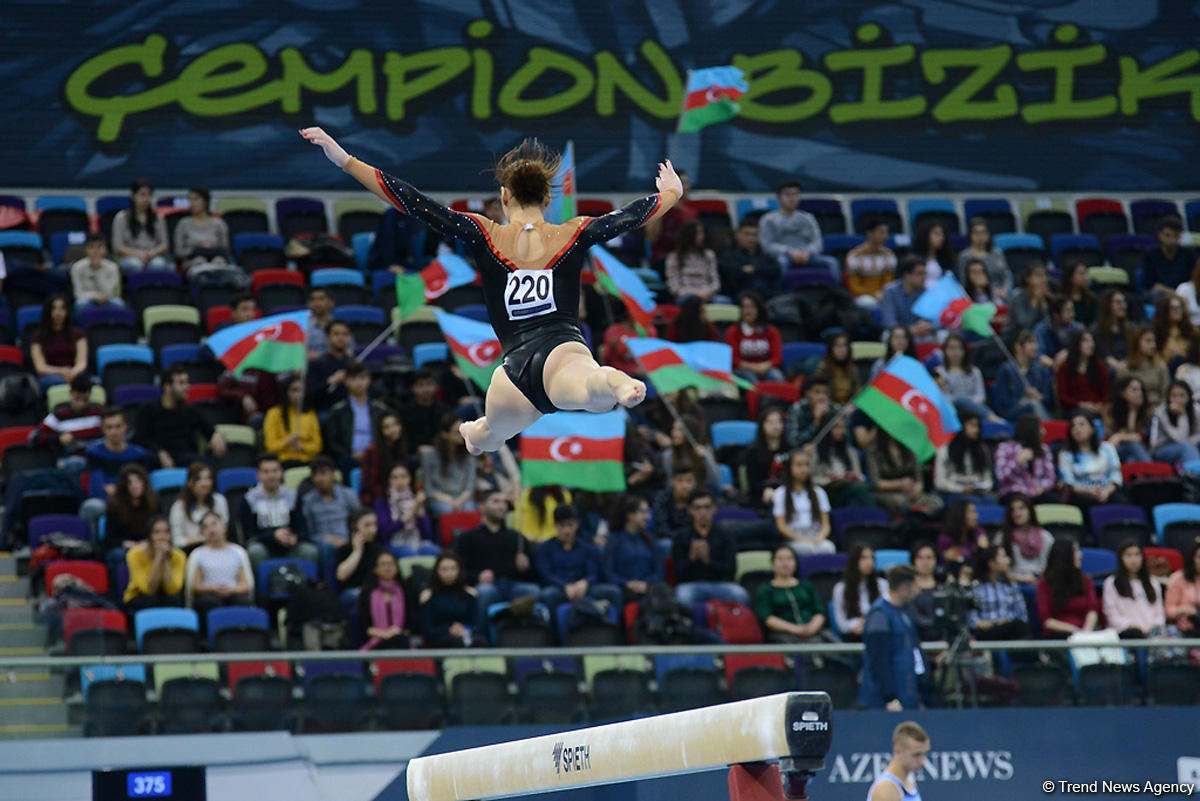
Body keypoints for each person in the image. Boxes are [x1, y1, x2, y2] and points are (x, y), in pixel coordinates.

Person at [304, 128, 680, 455]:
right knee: (592, 390)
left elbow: (412, 201)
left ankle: (475, 432)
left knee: (488, 435)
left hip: (512, 370)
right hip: (561, 354)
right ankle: (618, 383)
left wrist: (344, 160)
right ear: (548, 199)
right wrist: (670, 195)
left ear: (503, 196)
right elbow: (629, 217)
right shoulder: (572, 232)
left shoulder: (486, 233)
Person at [457, 490, 540, 617]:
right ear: (481, 506)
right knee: (485, 592)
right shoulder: (467, 538)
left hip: (513, 585)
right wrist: (477, 577)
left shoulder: (517, 538)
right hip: (485, 586)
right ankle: (480, 635)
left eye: (504, 502)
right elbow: (458, 571)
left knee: (532, 590)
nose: (502, 506)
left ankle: (529, 633)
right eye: (496, 501)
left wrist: (525, 567)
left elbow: (533, 574)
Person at [859, 566, 928, 711]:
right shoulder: (879, 616)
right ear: (904, 588)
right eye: (915, 586)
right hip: (888, 703)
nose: (918, 590)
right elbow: (878, 660)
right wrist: (889, 697)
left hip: (908, 694)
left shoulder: (906, 611)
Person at [133, 366, 226, 469]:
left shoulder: (190, 411)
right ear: (167, 387)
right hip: (157, 459)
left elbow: (208, 430)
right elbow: (140, 438)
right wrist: (159, 452)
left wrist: (215, 435)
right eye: (181, 383)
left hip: (187, 459)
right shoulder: (148, 410)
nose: (187, 387)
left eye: (187, 382)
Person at [534, 504, 623, 611]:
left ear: (577, 524)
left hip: (585, 588)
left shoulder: (588, 548)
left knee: (613, 592)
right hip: (559, 589)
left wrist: (585, 583)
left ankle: (613, 627)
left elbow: (593, 573)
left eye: (570, 525)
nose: (566, 530)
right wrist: (564, 586)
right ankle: (553, 628)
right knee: (548, 595)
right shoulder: (544, 549)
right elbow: (546, 575)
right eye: (562, 526)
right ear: (555, 526)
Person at [671, 489, 749, 606]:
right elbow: (678, 573)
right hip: (692, 584)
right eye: (697, 508)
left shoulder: (725, 535)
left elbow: (731, 570)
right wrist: (691, 559)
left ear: (714, 509)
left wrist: (708, 561)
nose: (703, 512)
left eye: (707, 507)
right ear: (690, 510)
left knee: (740, 594)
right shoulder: (682, 537)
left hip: (720, 585)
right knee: (682, 596)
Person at [242, 453, 318, 570]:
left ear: (281, 473)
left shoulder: (292, 496)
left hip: (290, 547)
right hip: (264, 547)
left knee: (310, 551)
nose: (271, 476)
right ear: (258, 475)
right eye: (266, 472)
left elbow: (303, 528)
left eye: (275, 471)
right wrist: (273, 536)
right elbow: (250, 536)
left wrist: (295, 538)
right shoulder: (249, 499)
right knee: (255, 552)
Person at [81, 408, 151, 530]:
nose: (114, 432)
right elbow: (97, 490)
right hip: (107, 503)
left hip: (134, 502)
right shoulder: (94, 453)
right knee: (91, 506)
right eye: (109, 427)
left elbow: (144, 485)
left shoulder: (139, 455)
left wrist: (117, 490)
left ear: (126, 427)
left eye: (118, 426)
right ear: (103, 430)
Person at [757, 180, 840, 281]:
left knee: (832, 262)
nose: (792, 198)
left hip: (808, 255)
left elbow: (818, 242)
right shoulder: (768, 219)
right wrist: (790, 252)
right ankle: (780, 292)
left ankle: (837, 292)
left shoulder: (808, 218)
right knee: (781, 263)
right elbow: (767, 245)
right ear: (779, 198)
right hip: (783, 256)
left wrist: (807, 252)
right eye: (787, 195)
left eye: (795, 194)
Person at [754, 545, 830, 645]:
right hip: (783, 635)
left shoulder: (806, 585)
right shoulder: (765, 589)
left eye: (789, 559)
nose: (785, 563)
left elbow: (819, 611)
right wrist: (794, 629)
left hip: (813, 632)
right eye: (780, 559)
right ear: (772, 563)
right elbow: (767, 617)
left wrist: (812, 628)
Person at [188, 512, 253, 618]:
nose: (211, 529)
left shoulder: (238, 552)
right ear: (202, 533)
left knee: (242, 602)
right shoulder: (198, 554)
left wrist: (231, 589)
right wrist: (213, 588)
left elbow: (246, 585)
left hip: (233, 592)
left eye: (214, 524)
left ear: (224, 527)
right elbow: (195, 586)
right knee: (208, 602)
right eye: (205, 527)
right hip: (209, 595)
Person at [302, 455, 362, 568]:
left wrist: (349, 539)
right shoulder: (308, 500)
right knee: (327, 547)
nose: (319, 478)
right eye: (315, 474)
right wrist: (324, 538)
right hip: (323, 542)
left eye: (323, 473)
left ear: (333, 473)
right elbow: (309, 532)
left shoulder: (348, 495)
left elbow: (359, 521)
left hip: (347, 540)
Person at [32, 373, 103, 468]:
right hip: (71, 459)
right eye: (77, 399)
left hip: (97, 456)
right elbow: (35, 437)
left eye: (85, 400)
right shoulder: (59, 415)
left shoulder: (98, 412)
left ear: (90, 395)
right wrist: (58, 438)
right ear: (70, 393)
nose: (81, 404)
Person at [772, 449, 835, 555]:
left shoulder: (819, 492)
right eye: (799, 465)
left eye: (807, 465)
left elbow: (826, 525)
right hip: (793, 540)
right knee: (808, 549)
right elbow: (781, 526)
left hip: (815, 538)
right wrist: (803, 540)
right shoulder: (780, 493)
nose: (804, 469)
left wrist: (819, 537)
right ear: (790, 467)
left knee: (829, 547)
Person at [867, 430, 944, 514]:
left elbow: (918, 476)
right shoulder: (874, 452)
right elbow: (877, 483)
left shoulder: (909, 448)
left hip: (911, 492)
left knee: (936, 502)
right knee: (901, 502)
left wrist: (918, 488)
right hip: (889, 493)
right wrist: (899, 484)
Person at [603, 496, 665, 603]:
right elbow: (608, 573)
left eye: (648, 512)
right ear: (630, 515)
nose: (648, 517)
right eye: (643, 512)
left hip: (648, 589)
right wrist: (627, 584)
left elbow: (659, 572)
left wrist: (646, 584)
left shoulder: (651, 540)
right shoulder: (614, 540)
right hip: (624, 589)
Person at [1058, 412, 1124, 510]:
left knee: (1122, 501)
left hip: (1107, 489)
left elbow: (1115, 474)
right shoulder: (1066, 454)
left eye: (1082, 424)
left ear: (1092, 429)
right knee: (1086, 502)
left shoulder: (1107, 448)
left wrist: (1106, 491)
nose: (1077, 429)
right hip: (1081, 493)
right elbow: (1068, 482)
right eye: (1073, 426)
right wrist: (1088, 490)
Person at [1037, 539, 1102, 637]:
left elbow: (1092, 610)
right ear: (1064, 556)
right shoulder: (1044, 583)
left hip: (1086, 633)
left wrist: (1086, 631)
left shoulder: (1086, 580)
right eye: (1075, 551)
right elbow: (1047, 620)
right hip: (1060, 635)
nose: (1080, 555)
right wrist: (1075, 632)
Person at [1102, 541, 1167, 639]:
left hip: (1153, 633)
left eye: (1137, 555)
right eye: (1128, 555)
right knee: (1135, 634)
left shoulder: (1153, 582)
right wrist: (1134, 627)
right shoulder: (1111, 583)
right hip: (1126, 633)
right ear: (1121, 558)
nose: (1134, 560)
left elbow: (1160, 613)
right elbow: (1112, 615)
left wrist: (1153, 627)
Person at [124, 516, 187, 612]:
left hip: (166, 595)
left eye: (166, 532)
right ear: (149, 536)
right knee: (151, 601)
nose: (162, 537)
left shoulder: (179, 556)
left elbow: (173, 589)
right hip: (139, 596)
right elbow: (147, 589)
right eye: (157, 532)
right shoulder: (134, 555)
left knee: (174, 601)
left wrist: (165, 559)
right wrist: (158, 558)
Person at [967, 545, 1030, 640]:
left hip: (1011, 631)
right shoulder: (976, 588)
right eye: (1003, 557)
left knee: (1021, 627)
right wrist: (996, 623)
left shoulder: (1011, 586)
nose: (1008, 560)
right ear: (991, 563)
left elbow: (1022, 616)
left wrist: (1007, 621)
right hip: (987, 633)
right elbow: (973, 621)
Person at [812, 412, 873, 508]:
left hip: (849, 487)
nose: (841, 431)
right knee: (859, 490)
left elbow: (859, 475)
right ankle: (872, 518)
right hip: (828, 490)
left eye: (843, 427)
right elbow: (813, 478)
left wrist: (850, 476)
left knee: (857, 494)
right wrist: (832, 479)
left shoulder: (849, 451)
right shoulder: (815, 452)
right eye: (837, 427)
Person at [103, 464, 159, 569]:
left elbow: (160, 529)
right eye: (129, 482)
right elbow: (109, 539)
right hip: (124, 546)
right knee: (119, 555)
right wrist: (128, 544)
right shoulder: (115, 506)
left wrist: (148, 542)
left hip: (149, 543)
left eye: (138, 481)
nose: (135, 485)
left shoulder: (155, 504)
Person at [419, 551, 480, 647]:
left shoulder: (469, 594)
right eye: (444, 569)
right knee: (456, 642)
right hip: (440, 640)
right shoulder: (427, 596)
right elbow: (428, 631)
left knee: (481, 642)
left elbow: (476, 626)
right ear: (436, 571)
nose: (449, 573)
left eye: (453, 569)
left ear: (459, 570)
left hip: (465, 636)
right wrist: (449, 629)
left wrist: (464, 629)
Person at [422, 413, 478, 517]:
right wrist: (450, 501)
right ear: (445, 434)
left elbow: (470, 486)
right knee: (447, 510)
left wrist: (459, 501)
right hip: (440, 498)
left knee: (470, 509)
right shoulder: (429, 455)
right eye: (457, 432)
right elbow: (428, 488)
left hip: (463, 498)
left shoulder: (469, 455)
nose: (462, 436)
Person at [934, 334, 1000, 422]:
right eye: (952, 348)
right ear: (945, 350)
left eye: (959, 348)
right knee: (961, 401)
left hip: (974, 409)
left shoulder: (974, 371)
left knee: (965, 402)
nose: (956, 352)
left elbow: (981, 396)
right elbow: (941, 397)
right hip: (951, 410)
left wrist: (970, 403)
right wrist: (961, 401)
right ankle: (995, 419)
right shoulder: (938, 372)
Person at [992, 329, 1055, 421]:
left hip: (1036, 412)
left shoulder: (1041, 370)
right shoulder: (1006, 370)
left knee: (1034, 404)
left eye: (1036, 343)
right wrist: (1021, 402)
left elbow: (1049, 400)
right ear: (1018, 346)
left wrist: (1039, 397)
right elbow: (1001, 402)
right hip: (1012, 413)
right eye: (1030, 343)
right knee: (1032, 404)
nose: (1035, 347)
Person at [29, 294, 87, 391]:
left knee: (83, 382)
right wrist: (61, 372)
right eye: (54, 309)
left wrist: (72, 373)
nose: (58, 313)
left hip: (74, 374)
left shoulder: (78, 335)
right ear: (48, 312)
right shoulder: (38, 338)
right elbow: (40, 367)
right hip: (50, 376)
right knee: (57, 382)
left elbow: (82, 362)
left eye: (62, 309)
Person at [262, 374, 322, 467]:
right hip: (282, 462)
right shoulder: (274, 413)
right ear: (286, 392)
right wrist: (289, 440)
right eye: (294, 390)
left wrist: (303, 447)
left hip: (307, 461)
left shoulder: (310, 414)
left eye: (301, 391)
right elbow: (270, 446)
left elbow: (317, 445)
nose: (298, 395)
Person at [832, 542, 888, 641]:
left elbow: (888, 614)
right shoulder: (840, 588)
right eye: (864, 558)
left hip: (878, 632)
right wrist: (854, 625)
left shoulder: (882, 585)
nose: (869, 562)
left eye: (871, 558)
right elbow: (841, 623)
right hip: (854, 636)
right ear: (854, 561)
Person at [110, 179, 169, 272]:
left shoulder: (158, 218)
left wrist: (152, 253)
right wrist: (138, 255)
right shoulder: (121, 218)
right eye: (142, 195)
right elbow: (118, 246)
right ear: (133, 196)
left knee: (158, 264)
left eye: (149, 195)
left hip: (152, 256)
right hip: (129, 257)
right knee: (135, 265)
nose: (146, 199)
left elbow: (164, 245)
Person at [167, 462, 229, 550]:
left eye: (208, 479)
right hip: (188, 550)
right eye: (199, 479)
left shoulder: (219, 500)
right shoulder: (178, 506)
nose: (205, 484)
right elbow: (176, 541)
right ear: (190, 482)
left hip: (216, 547)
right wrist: (200, 539)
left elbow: (224, 530)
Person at [932, 413, 994, 500]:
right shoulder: (946, 450)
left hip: (977, 490)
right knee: (971, 502)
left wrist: (983, 487)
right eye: (972, 425)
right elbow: (939, 482)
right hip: (953, 491)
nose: (976, 430)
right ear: (961, 426)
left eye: (978, 426)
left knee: (991, 501)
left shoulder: (982, 450)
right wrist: (962, 489)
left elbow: (987, 478)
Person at [725, 291, 783, 383]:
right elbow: (733, 358)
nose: (747, 311)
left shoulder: (771, 331)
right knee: (752, 380)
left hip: (766, 368)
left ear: (759, 309)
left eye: (751, 307)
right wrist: (752, 367)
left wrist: (764, 366)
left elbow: (777, 357)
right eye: (744, 307)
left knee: (777, 377)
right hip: (742, 369)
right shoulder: (733, 331)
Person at [356, 550, 410, 650]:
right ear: (375, 569)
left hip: (401, 638)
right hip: (377, 640)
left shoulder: (406, 591)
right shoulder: (367, 593)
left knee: (400, 641)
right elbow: (364, 625)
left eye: (391, 564)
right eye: (383, 564)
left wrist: (398, 632)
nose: (388, 568)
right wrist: (384, 634)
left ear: (397, 568)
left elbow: (411, 623)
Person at [996, 493, 1055, 583]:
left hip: (1040, 581)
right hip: (1013, 582)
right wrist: (1016, 577)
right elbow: (995, 566)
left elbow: (1053, 564)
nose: (1017, 513)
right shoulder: (1002, 536)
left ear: (1030, 510)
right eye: (1013, 510)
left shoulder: (1045, 536)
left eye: (1021, 508)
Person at [173, 187, 232, 275]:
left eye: (196, 199)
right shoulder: (183, 224)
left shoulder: (219, 223)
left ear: (205, 202)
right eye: (190, 200)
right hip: (192, 260)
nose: (192, 203)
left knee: (219, 261)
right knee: (200, 261)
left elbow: (225, 248)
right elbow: (178, 251)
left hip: (216, 257)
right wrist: (195, 249)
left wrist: (211, 248)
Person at [373, 463, 430, 552]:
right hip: (392, 544)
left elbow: (427, 534)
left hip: (416, 541)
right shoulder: (382, 502)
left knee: (433, 551)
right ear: (389, 480)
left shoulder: (416, 499)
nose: (399, 481)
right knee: (408, 551)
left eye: (403, 477)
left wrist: (421, 514)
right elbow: (384, 532)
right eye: (395, 478)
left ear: (410, 479)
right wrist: (412, 511)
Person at [866, 722, 931, 800]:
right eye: (916, 755)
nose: (922, 761)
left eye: (925, 753)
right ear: (897, 751)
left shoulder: (910, 780)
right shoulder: (886, 788)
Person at [740, 407, 788, 508]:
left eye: (779, 422)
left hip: (787, 492)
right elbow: (753, 482)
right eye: (770, 422)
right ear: (762, 426)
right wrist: (766, 490)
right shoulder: (753, 451)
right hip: (761, 494)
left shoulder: (790, 449)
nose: (776, 426)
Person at [717, 219, 781, 296]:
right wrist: (759, 271)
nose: (751, 238)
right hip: (740, 295)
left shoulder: (763, 254)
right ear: (737, 235)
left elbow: (777, 270)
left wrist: (754, 269)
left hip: (767, 293)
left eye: (755, 235)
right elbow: (733, 273)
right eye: (747, 234)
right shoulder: (727, 254)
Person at [844, 215, 896, 309]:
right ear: (869, 234)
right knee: (869, 303)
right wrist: (873, 294)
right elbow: (854, 286)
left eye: (886, 233)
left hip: (882, 294)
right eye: (881, 232)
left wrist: (882, 293)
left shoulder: (889, 255)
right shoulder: (854, 256)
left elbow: (888, 281)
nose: (885, 236)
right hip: (861, 295)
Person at [359, 411, 411, 505]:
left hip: (401, 494)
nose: (393, 429)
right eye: (387, 427)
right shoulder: (372, 452)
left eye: (395, 424)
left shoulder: (402, 446)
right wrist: (389, 494)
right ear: (381, 431)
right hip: (379, 497)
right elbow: (369, 484)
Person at [1056, 328, 1110, 417]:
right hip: (1074, 409)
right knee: (1085, 415)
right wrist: (1081, 404)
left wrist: (1100, 405)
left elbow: (1106, 392)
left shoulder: (1101, 367)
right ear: (1077, 344)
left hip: (1097, 408)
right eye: (1086, 341)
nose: (1091, 344)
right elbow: (1063, 397)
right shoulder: (1065, 368)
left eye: (1092, 341)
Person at [305, 319, 355, 413]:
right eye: (336, 334)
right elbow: (309, 394)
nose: (340, 338)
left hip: (350, 411)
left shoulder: (353, 364)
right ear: (327, 337)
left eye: (345, 334)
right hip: (325, 410)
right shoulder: (316, 364)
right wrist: (330, 381)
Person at [1148, 380, 1200, 466]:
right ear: (1168, 397)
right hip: (1162, 450)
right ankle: (1194, 475)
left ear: (1189, 397)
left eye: (1182, 396)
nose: (1177, 399)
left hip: (1189, 445)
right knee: (1185, 448)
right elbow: (1179, 439)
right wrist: (1182, 415)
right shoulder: (1161, 413)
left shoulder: (1195, 410)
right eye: (1173, 396)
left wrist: (1192, 441)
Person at [664, 220, 719, 301]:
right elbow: (674, 286)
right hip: (686, 295)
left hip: (707, 294)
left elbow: (715, 282)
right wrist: (696, 294)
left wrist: (707, 292)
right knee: (692, 301)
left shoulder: (709, 255)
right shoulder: (674, 257)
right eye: (699, 233)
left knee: (724, 301)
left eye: (702, 233)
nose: (702, 236)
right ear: (690, 235)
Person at [957, 216, 1011, 298]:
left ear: (989, 234)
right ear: (970, 235)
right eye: (976, 233)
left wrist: (1005, 290)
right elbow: (963, 282)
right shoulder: (964, 256)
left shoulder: (997, 253)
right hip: (975, 296)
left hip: (1000, 294)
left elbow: (1006, 276)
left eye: (983, 233)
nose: (980, 237)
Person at [334, 508, 384, 594]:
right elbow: (341, 576)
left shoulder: (379, 549)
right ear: (354, 527)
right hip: (351, 592)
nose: (373, 529)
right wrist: (357, 551)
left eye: (375, 524)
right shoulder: (344, 550)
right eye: (367, 525)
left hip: (373, 591)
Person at [398, 368, 450, 450]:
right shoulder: (405, 411)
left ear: (436, 386)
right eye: (420, 385)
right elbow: (403, 438)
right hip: (415, 454)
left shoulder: (445, 410)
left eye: (429, 384)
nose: (425, 389)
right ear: (413, 388)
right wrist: (417, 448)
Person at [880, 258, 933, 338]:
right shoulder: (890, 291)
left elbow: (934, 318)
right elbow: (890, 322)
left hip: (919, 333)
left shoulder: (925, 292)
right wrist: (910, 330)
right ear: (907, 275)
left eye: (925, 274)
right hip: (899, 333)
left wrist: (927, 325)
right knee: (887, 335)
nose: (924, 277)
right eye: (920, 274)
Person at [1144, 215, 1196, 296]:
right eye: (1167, 236)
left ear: (1180, 236)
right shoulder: (1150, 255)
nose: (1171, 240)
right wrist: (1175, 294)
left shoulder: (1188, 254)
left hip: (1185, 294)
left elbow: (1193, 279)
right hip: (1162, 295)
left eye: (1175, 236)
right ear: (1160, 235)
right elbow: (1151, 284)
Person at [785, 372, 839, 448]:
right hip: (805, 453)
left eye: (825, 393)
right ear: (807, 393)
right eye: (817, 392)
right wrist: (815, 423)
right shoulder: (797, 409)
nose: (822, 397)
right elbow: (793, 442)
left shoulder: (835, 409)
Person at [1107, 375, 1153, 463]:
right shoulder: (1111, 412)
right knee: (1132, 444)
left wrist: (1120, 437)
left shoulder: (1148, 413)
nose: (1139, 393)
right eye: (1134, 390)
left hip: (1142, 450)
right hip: (1117, 451)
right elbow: (1110, 439)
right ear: (1122, 393)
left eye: (1140, 390)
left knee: (1131, 459)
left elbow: (1141, 437)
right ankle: (1151, 471)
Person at [70, 233, 122, 308]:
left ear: (105, 250)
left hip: (107, 299)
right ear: (85, 250)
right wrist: (95, 296)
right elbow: (78, 294)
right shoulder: (77, 267)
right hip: (87, 300)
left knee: (119, 303)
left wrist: (98, 270)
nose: (95, 251)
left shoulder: (113, 267)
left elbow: (111, 293)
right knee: (80, 304)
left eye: (99, 247)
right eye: (91, 247)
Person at [937, 499, 990, 572]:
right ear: (960, 514)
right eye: (972, 512)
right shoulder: (946, 538)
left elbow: (984, 549)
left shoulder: (977, 531)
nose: (976, 516)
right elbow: (952, 558)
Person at [1120, 328, 1168, 406]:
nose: (1153, 345)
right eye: (1148, 341)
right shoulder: (1124, 368)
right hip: (1132, 408)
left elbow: (1166, 392)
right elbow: (1120, 394)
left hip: (1157, 407)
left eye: (1154, 341)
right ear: (1137, 342)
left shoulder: (1160, 366)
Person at [1005, 261, 1050, 338]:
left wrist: (1044, 304)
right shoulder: (1018, 296)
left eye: (1044, 275)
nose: (1043, 279)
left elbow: (1048, 326)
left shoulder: (1046, 296)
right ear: (1027, 278)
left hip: (1036, 339)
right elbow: (1024, 325)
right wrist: (1035, 301)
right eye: (1038, 276)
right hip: (1015, 337)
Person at [1165, 538, 1200, 634]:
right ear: (1191, 558)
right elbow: (1169, 611)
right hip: (1184, 630)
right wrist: (1184, 610)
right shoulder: (1178, 578)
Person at [1091, 289, 1132, 371]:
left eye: (1124, 302)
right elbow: (1106, 357)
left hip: (1128, 365)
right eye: (1118, 302)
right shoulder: (1096, 330)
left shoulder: (1129, 328)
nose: (1123, 306)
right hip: (1110, 369)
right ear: (1107, 305)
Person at [1033, 295, 1080, 368]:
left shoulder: (1076, 328)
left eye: (1072, 310)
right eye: (1068, 311)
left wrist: (1068, 352)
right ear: (1056, 315)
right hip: (1049, 369)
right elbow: (1038, 354)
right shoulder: (1041, 329)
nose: (1072, 314)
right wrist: (1054, 365)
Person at [908, 541, 941, 640]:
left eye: (929, 557)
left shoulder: (944, 587)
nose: (925, 562)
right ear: (913, 561)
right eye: (920, 558)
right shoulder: (907, 589)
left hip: (942, 640)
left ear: (936, 560)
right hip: (915, 637)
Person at [651, 469, 696, 540]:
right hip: (667, 538)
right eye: (680, 480)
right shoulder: (662, 499)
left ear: (694, 483)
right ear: (672, 482)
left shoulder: (697, 500)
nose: (685, 486)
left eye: (689, 481)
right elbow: (661, 529)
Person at [1153, 291, 1195, 364]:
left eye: (1180, 308)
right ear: (1164, 311)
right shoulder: (1157, 333)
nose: (1178, 311)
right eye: (1173, 308)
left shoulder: (1190, 331)